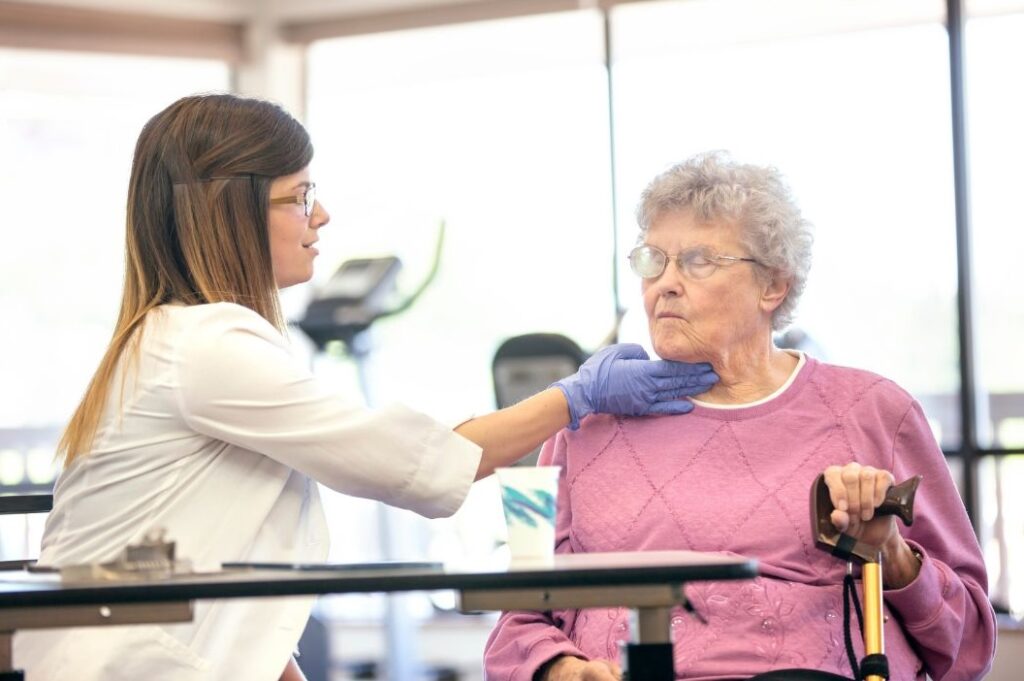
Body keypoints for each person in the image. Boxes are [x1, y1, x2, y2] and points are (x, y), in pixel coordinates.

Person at [12, 94, 719, 681]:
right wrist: (573, 396)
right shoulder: (208, 345)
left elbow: (219, 549)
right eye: (301, 196)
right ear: (232, 212)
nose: (321, 217)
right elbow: (406, 462)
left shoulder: (169, 338)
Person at [483, 152, 996, 681]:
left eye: (698, 261)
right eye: (653, 260)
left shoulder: (875, 411)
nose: (664, 284)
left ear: (773, 285)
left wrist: (889, 550)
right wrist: (559, 669)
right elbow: (515, 624)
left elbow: (971, 644)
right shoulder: (581, 428)